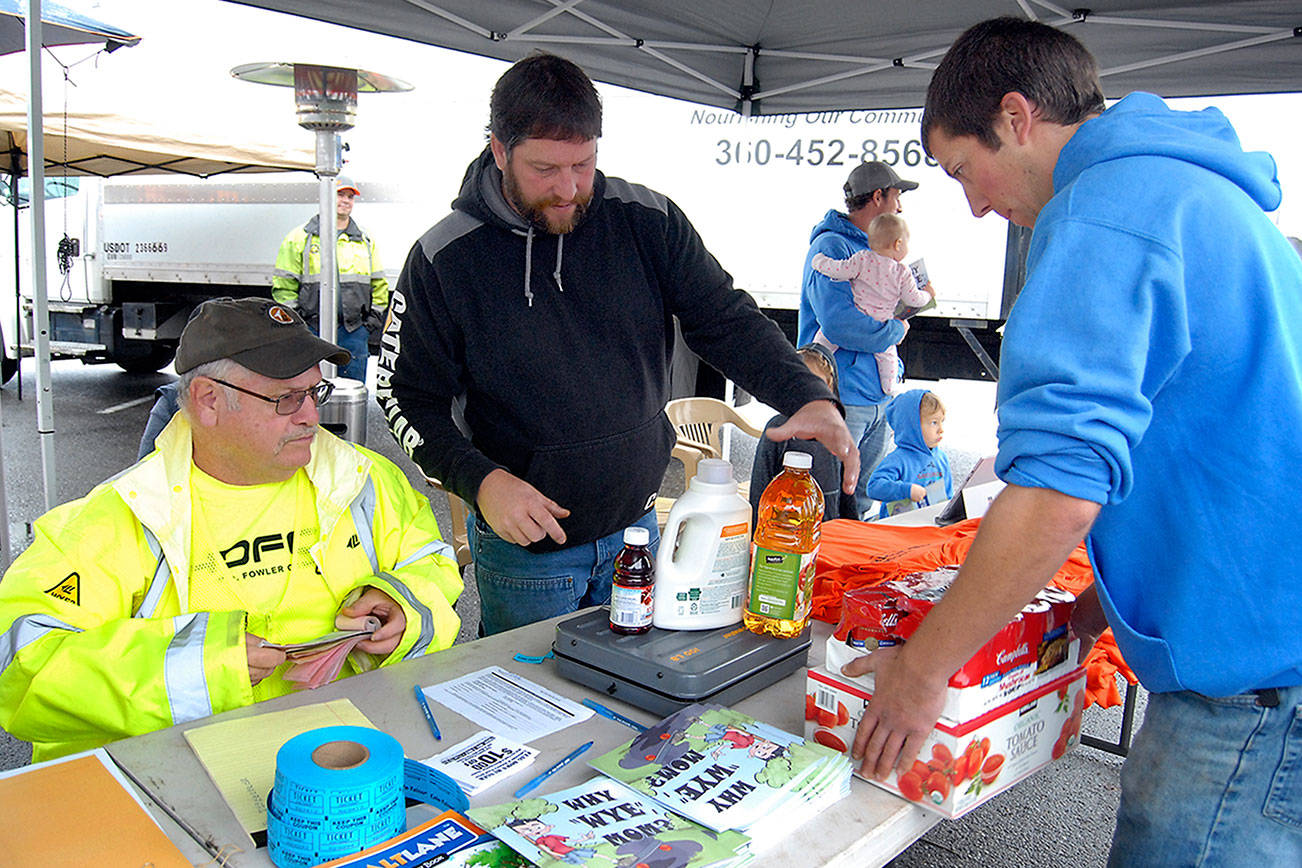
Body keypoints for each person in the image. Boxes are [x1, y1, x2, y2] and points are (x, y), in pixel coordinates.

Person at [846, 17, 1302, 864]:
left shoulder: (1104, 213)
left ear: (1017, 118)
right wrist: (1103, 608)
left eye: (963, 172)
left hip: (1245, 689)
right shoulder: (1200, 193)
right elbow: (1212, 436)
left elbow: (1059, 489)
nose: (977, 205)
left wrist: (922, 671)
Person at [376, 52, 856, 636]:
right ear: (499, 150)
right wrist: (480, 481)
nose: (569, 188)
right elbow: (404, 394)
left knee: (636, 701)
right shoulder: (445, 257)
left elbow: (723, 317)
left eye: (583, 163)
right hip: (528, 554)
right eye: (545, 168)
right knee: (530, 711)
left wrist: (803, 393)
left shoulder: (644, 218)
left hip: (639, 531)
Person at [0, 297, 462, 761]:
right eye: (286, 399)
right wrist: (199, 666)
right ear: (209, 400)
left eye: (314, 392)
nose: (311, 416)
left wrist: (404, 604)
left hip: (350, 761)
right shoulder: (115, 520)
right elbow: (22, 671)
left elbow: (432, 560)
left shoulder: (368, 480)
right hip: (179, 784)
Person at [799, 161, 930, 518]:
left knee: (858, 500)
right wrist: (896, 330)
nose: (900, 206)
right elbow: (840, 324)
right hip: (841, 397)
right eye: (897, 196)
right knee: (825, 500)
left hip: (875, 396)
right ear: (878, 196)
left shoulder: (875, 252)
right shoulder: (833, 247)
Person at [273, 176, 388, 384]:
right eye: (340, 194)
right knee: (309, 389)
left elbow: (379, 284)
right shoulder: (300, 237)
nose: (346, 200)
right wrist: (298, 324)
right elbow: (284, 285)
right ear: (326, 197)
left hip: (353, 332)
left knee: (352, 391)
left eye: (350, 197)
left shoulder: (365, 240)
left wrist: (369, 325)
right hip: (311, 330)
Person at [809, 213, 935, 395]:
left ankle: (810, 369)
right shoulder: (902, 272)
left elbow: (839, 270)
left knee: (822, 342)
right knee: (888, 357)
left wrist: (819, 262)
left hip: (858, 313)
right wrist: (928, 294)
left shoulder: (862, 259)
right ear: (898, 244)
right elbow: (914, 299)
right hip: (880, 322)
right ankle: (889, 387)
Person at [749, 343, 858, 522]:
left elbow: (847, 493)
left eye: (817, 387)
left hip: (828, 527)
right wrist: (755, 531)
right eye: (801, 387)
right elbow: (760, 483)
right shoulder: (778, 428)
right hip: (785, 529)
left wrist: (853, 525)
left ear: (830, 389)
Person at [865, 389, 951, 517]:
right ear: (912, 426)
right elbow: (873, 487)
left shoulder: (941, 458)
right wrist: (907, 490)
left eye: (941, 421)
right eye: (934, 423)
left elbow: (948, 495)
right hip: (896, 527)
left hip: (929, 524)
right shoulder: (898, 460)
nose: (941, 430)